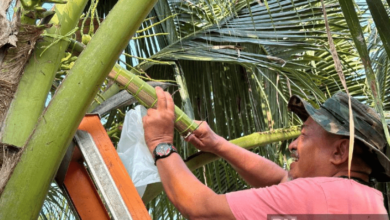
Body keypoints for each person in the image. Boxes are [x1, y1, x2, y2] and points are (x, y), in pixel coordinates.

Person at [142, 87, 389, 219]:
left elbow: (200, 209)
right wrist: (217, 144)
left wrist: (160, 142)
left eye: (304, 135)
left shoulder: (320, 195)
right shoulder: (366, 202)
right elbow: (281, 180)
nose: (293, 145)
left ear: (340, 151)